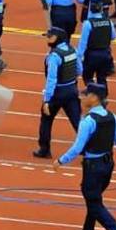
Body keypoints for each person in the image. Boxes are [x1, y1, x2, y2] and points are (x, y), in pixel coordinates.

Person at [58, 83, 116, 230]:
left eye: (86, 95)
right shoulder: (112, 117)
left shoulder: (88, 121)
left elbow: (77, 148)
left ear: (94, 98)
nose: (82, 97)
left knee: (94, 202)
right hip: (108, 165)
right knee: (94, 198)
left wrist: (61, 160)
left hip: (93, 167)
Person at [33, 26, 82, 158]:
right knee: (77, 121)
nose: (47, 39)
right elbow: (79, 70)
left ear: (58, 38)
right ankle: (88, 148)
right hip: (72, 90)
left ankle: (44, 149)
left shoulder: (54, 56)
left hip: (58, 92)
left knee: (46, 120)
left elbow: (51, 79)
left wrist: (47, 100)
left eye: (50, 37)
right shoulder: (73, 50)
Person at [79, 2, 116, 86]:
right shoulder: (109, 22)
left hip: (91, 54)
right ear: (101, 9)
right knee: (102, 78)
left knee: (88, 77)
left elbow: (83, 43)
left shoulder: (88, 23)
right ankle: (102, 93)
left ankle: (92, 91)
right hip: (105, 53)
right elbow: (114, 36)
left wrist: (79, 57)